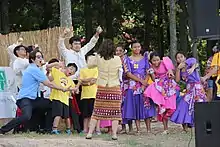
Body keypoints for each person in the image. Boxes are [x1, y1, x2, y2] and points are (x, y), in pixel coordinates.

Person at [0, 49, 72, 135]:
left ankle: (46, 129)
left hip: (34, 99)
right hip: (24, 98)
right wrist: (63, 89)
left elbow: (48, 79)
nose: (40, 59)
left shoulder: (36, 69)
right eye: (38, 57)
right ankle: (3, 130)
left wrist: (48, 71)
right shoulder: (33, 69)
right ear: (32, 59)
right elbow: (49, 84)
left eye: (41, 57)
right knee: (26, 116)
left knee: (52, 105)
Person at [85, 39, 122, 140]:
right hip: (114, 87)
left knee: (97, 111)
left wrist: (96, 54)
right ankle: (114, 134)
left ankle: (90, 133)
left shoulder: (98, 58)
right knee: (115, 112)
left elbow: (89, 64)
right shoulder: (117, 59)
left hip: (102, 87)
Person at [122, 41, 156, 134]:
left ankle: (149, 129)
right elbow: (128, 73)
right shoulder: (127, 59)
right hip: (133, 85)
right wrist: (140, 81)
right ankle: (138, 129)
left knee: (146, 106)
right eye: (134, 47)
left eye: (138, 47)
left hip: (144, 84)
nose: (137, 49)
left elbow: (148, 71)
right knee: (135, 106)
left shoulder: (145, 59)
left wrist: (145, 81)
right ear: (131, 48)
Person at [170, 52, 206, 132]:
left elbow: (195, 63)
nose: (180, 59)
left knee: (200, 105)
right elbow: (177, 80)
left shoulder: (190, 61)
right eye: (178, 58)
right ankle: (185, 127)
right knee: (183, 105)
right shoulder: (179, 68)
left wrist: (192, 68)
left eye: (181, 57)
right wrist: (178, 69)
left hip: (197, 88)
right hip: (189, 88)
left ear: (185, 57)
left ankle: (202, 125)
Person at [144, 52, 178, 134]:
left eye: (157, 60)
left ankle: (168, 125)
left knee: (170, 107)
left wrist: (170, 74)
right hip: (159, 87)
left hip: (169, 86)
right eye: (154, 60)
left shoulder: (165, 61)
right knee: (162, 108)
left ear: (160, 59)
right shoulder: (151, 67)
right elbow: (154, 78)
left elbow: (171, 72)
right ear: (151, 61)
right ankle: (165, 129)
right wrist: (151, 73)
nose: (156, 62)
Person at [46, 59, 78, 135]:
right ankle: (54, 129)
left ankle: (68, 130)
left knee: (67, 116)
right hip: (57, 98)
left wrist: (74, 90)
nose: (71, 72)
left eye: (73, 72)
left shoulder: (70, 80)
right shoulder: (57, 72)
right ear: (66, 67)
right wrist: (57, 63)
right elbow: (47, 67)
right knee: (58, 114)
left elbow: (74, 89)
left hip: (65, 100)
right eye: (70, 69)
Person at [79, 53, 100, 134]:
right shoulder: (82, 70)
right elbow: (81, 81)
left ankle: (97, 129)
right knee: (85, 114)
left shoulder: (97, 69)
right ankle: (85, 129)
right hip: (84, 95)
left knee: (95, 114)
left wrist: (85, 80)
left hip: (94, 94)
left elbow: (94, 80)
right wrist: (88, 81)